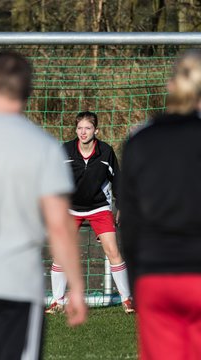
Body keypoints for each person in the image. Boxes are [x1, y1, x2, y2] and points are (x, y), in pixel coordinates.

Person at [0, 51, 87, 360]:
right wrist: (77, 288)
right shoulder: (43, 147)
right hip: (15, 283)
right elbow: (59, 225)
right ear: (28, 93)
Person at [120, 49, 201, 360]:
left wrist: (137, 278)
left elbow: (130, 221)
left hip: (156, 276)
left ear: (170, 87)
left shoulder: (140, 140)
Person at [47, 111, 134, 314]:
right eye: (79, 128)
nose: (83, 132)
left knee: (113, 251)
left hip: (99, 208)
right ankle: (57, 301)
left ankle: (127, 299)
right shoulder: (66, 150)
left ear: (96, 130)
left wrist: (120, 206)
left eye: (87, 128)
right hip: (70, 208)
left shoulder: (105, 151)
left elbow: (118, 181)